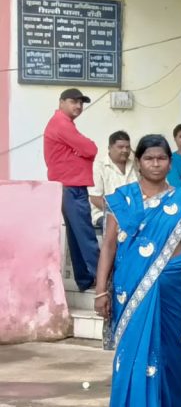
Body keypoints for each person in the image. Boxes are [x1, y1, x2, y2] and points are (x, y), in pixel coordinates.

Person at [92, 134, 181, 407]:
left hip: (172, 293)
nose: (155, 164)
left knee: (172, 356)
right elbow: (109, 246)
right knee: (132, 357)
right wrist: (100, 291)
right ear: (139, 162)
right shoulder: (122, 200)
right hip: (130, 289)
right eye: (149, 158)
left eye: (161, 158)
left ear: (170, 163)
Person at [44, 88, 100, 291]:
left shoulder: (62, 123)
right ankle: (105, 279)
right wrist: (80, 152)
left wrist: (78, 152)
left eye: (81, 103)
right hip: (72, 187)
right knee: (85, 236)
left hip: (66, 187)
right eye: (73, 101)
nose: (78, 106)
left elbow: (84, 150)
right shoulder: (61, 123)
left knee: (76, 237)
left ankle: (85, 280)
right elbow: (91, 149)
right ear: (61, 102)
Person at [89, 130, 138, 230]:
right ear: (110, 148)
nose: (125, 150)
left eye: (127, 147)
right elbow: (95, 198)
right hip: (105, 214)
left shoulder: (135, 166)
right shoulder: (98, 167)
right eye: (120, 147)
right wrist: (120, 213)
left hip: (134, 214)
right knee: (122, 227)